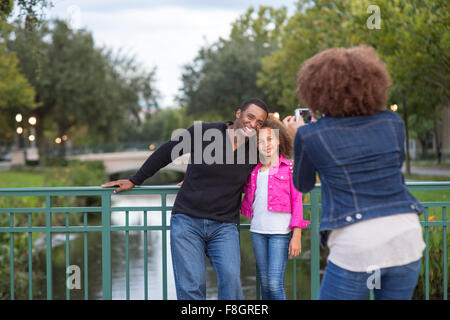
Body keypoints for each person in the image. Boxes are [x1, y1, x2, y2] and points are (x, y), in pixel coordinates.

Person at [284, 46, 425, 300]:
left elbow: (302, 184)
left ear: (316, 91)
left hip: (357, 242)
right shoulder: (393, 122)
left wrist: (299, 140)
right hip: (407, 234)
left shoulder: (310, 134)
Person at [101, 98, 268, 300]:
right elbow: (165, 153)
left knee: (231, 281)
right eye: (250, 117)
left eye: (259, 122)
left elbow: (274, 167)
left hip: (224, 226)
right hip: (188, 221)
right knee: (192, 287)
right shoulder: (204, 132)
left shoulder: (255, 149)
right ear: (238, 113)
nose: (253, 124)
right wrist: (135, 180)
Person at [240, 115, 309, 300]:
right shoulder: (253, 172)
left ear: (278, 140)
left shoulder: (289, 169)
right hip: (258, 232)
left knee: (274, 283)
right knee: (264, 283)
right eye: (261, 141)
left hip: (280, 233)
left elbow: (297, 202)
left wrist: (297, 235)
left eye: (270, 139)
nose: (266, 144)